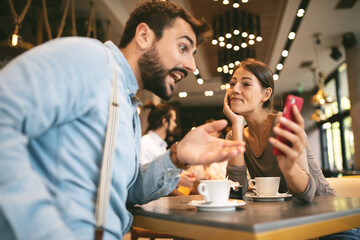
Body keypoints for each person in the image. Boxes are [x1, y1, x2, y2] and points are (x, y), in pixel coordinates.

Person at [0, 1, 245, 239]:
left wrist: (176, 157)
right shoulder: (90, 58)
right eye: (183, 47)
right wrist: (44, 231)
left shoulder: (127, 104)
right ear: (144, 36)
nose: (191, 65)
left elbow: (125, 192)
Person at [223, 58, 359, 239]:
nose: (235, 89)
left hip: (329, 218)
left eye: (246, 83)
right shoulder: (235, 135)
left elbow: (306, 195)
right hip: (289, 222)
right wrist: (237, 125)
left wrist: (288, 167)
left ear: (266, 94)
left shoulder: (283, 124)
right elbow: (236, 193)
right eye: (232, 83)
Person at [140, 101, 196, 194]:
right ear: (165, 121)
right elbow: (143, 180)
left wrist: (181, 175)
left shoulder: (161, 145)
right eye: (174, 120)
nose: (175, 125)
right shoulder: (146, 143)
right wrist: (177, 179)